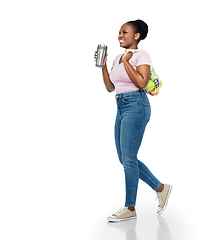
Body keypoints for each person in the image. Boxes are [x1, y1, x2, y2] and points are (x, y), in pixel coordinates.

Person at [94, 19, 172, 222]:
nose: (120, 35)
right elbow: (111, 87)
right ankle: (161, 188)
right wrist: (104, 66)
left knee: (128, 158)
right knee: (125, 158)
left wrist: (127, 61)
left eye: (124, 32)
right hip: (120, 106)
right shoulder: (117, 57)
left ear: (136, 36)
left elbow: (142, 82)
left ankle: (130, 207)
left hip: (136, 105)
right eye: (119, 32)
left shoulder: (141, 55)